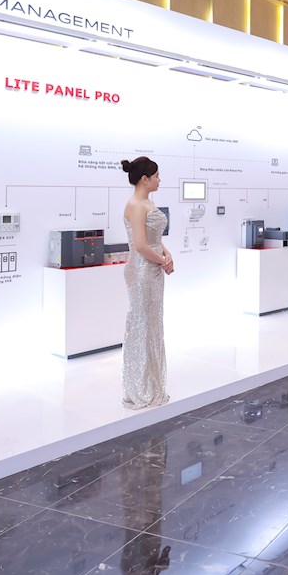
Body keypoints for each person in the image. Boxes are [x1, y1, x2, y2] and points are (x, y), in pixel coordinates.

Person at [120, 156, 173, 410]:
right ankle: (140, 388)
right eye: (157, 176)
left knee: (152, 325)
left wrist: (166, 254)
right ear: (145, 179)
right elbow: (140, 245)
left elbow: (153, 238)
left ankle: (152, 384)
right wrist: (163, 260)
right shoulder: (135, 205)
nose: (159, 180)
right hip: (142, 271)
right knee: (141, 326)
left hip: (152, 269)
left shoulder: (147, 202)